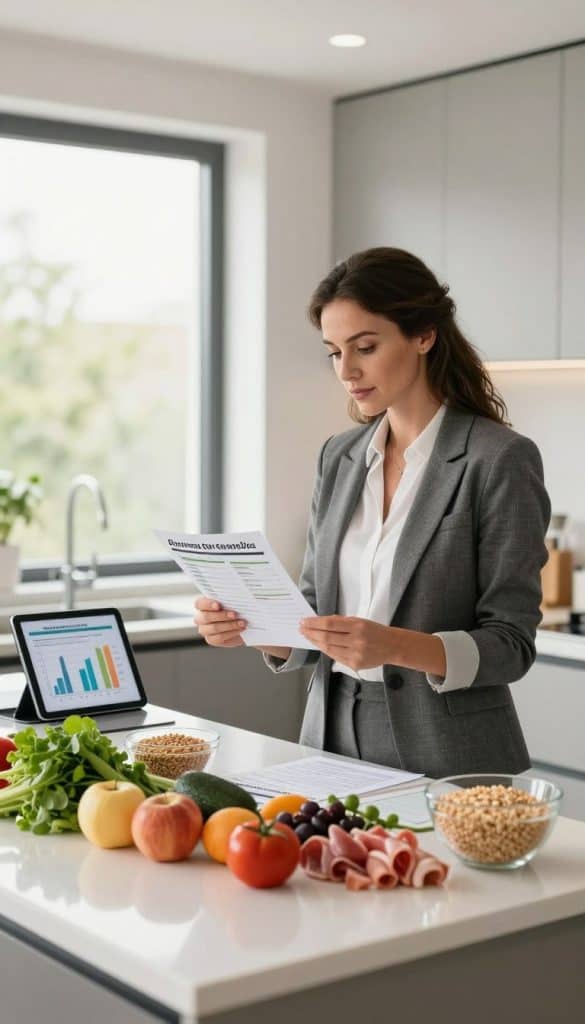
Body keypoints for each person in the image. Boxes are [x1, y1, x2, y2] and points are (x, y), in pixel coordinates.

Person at [194, 247, 551, 777]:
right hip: (330, 737)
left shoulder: (498, 459)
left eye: (365, 346)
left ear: (424, 335)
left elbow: (511, 645)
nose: (347, 370)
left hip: (451, 754)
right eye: (334, 352)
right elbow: (314, 612)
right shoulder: (339, 456)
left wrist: (396, 646)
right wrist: (252, 628)